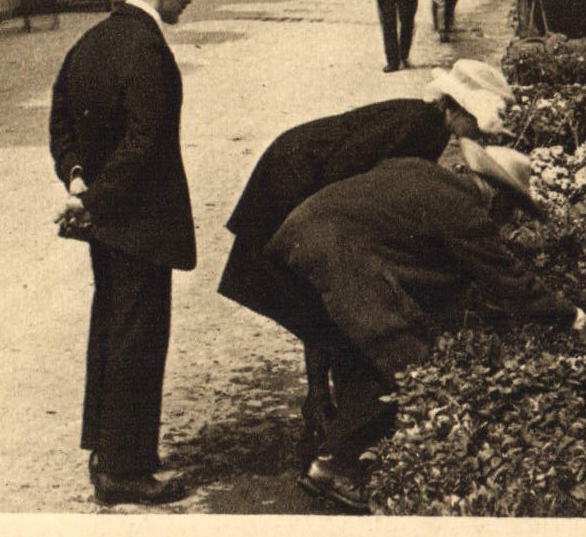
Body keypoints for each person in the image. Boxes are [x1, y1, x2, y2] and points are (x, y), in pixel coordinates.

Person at [270, 139, 586, 512]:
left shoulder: (420, 169)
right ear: (497, 197)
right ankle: (334, 464)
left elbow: (398, 240)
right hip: (337, 254)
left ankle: (334, 444)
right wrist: (573, 317)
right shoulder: (465, 211)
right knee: (403, 361)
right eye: (511, 208)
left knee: (356, 350)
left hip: (294, 234)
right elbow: (506, 279)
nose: (508, 220)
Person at [216, 61, 513, 448]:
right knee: (327, 309)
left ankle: (321, 405)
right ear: (458, 109)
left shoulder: (423, 121)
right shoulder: (419, 126)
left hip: (297, 191)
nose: (480, 138)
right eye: (479, 127)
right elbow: (343, 184)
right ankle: (328, 420)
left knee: (322, 311)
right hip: (290, 194)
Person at [48, 0, 206, 506]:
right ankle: (125, 470)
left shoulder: (90, 41)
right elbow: (144, 143)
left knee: (110, 332)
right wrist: (94, 199)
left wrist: (77, 181)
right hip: (141, 223)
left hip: (105, 223)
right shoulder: (148, 50)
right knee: (139, 341)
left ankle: (107, 449)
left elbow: (60, 122)